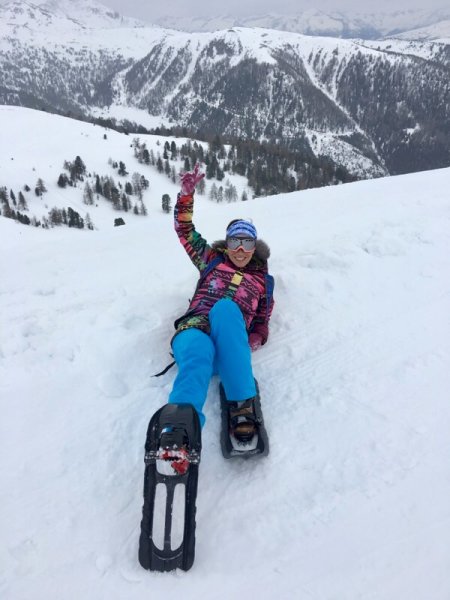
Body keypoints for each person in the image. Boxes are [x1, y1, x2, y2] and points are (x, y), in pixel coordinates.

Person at [167, 164, 274, 443]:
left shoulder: (263, 282)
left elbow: (262, 321)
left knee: (226, 309)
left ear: (254, 247)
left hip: (229, 347)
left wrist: (252, 340)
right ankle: (181, 426)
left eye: (247, 243)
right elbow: (184, 230)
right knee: (199, 351)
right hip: (194, 333)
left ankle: (242, 404)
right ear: (226, 244)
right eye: (235, 242)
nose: (240, 250)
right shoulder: (211, 260)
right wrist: (186, 196)